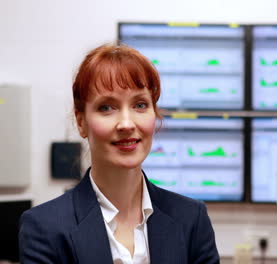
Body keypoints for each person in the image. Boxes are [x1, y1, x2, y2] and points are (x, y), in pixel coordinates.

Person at [19, 44, 220, 263]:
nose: (126, 124)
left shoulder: (191, 219)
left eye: (140, 104)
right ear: (81, 122)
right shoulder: (45, 228)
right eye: (106, 107)